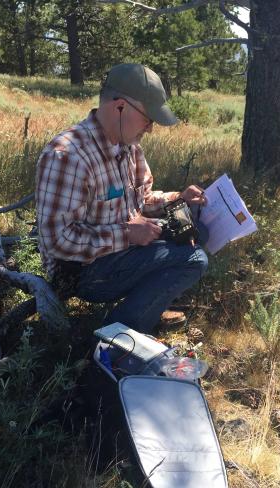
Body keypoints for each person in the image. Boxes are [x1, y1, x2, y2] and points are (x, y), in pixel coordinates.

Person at [35, 63, 208, 334]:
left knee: (200, 234)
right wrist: (127, 235)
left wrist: (180, 197)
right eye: (147, 118)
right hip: (82, 272)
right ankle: (115, 338)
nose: (150, 128)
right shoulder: (68, 155)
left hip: (120, 252)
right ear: (119, 107)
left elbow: (144, 198)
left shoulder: (129, 146)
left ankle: (144, 309)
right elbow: (58, 241)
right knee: (194, 259)